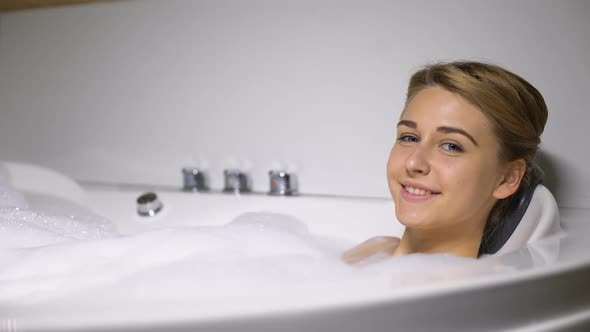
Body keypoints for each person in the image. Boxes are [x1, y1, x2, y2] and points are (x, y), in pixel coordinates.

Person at [343, 61, 548, 263]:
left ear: (506, 178)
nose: (414, 163)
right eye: (409, 137)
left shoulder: (467, 293)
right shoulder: (376, 249)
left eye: (451, 146)